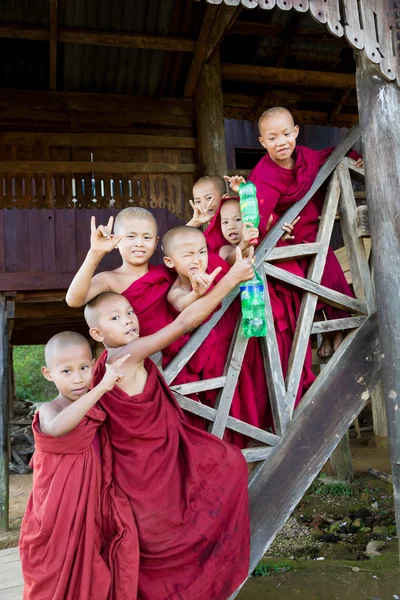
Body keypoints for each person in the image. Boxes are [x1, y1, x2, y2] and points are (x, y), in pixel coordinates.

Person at [85, 258, 253, 599]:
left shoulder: (102, 365)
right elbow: (186, 321)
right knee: (230, 463)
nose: (129, 320)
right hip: (146, 468)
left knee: (223, 463)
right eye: (115, 318)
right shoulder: (125, 355)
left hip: (144, 463)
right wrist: (233, 277)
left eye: (129, 312)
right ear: (98, 334)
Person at [226, 106, 363, 358]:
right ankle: (323, 333)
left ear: (296, 132)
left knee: (328, 269)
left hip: (310, 231)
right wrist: (277, 227)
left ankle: (336, 331)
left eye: (286, 134)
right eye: (272, 138)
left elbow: (331, 155)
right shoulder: (264, 173)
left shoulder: (306, 158)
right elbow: (257, 213)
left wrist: (354, 157)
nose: (281, 143)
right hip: (283, 240)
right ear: (262, 142)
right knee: (302, 284)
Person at [19, 331, 129, 600]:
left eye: (83, 368)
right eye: (66, 371)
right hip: (55, 515)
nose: (78, 378)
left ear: (93, 365)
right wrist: (102, 387)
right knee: (53, 572)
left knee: (90, 569)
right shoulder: (48, 409)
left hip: (89, 508)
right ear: (48, 373)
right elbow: (57, 429)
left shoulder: (98, 406)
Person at [162, 225, 272, 444]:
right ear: (169, 262)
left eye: (202, 252)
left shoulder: (212, 266)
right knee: (223, 402)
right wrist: (196, 294)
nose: (197, 259)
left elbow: (231, 261)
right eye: (188, 254)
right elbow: (182, 305)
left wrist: (244, 246)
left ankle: (249, 438)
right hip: (211, 354)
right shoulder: (177, 290)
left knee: (247, 393)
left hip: (236, 341)